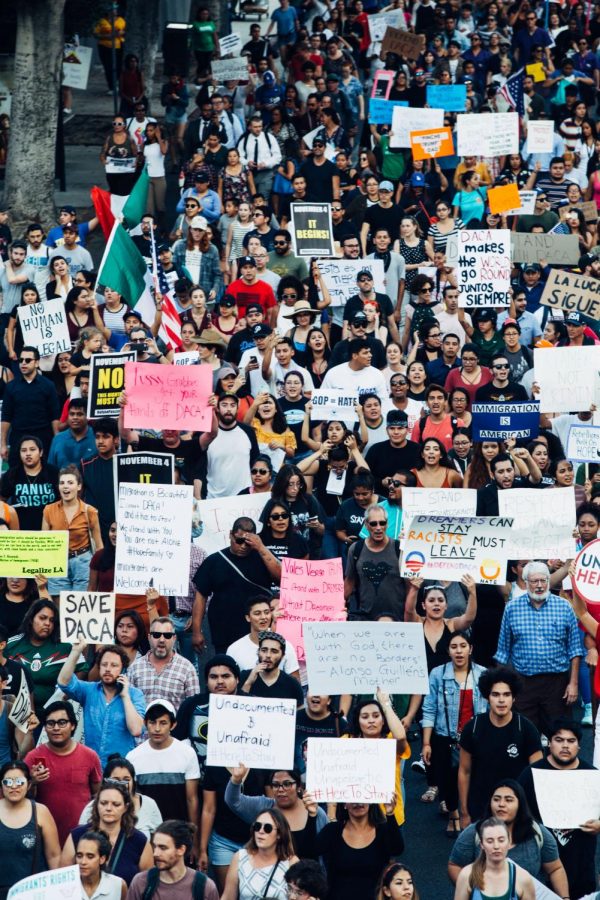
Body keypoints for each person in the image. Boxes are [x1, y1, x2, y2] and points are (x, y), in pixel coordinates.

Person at [495, 561, 582, 733]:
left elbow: (575, 650)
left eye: (544, 580)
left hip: (557, 684)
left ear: (549, 581)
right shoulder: (512, 608)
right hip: (524, 684)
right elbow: (502, 652)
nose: (540, 586)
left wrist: (573, 683)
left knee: (559, 735)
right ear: (525, 582)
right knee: (526, 736)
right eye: (534, 581)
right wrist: (503, 687)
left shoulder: (564, 607)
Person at [518, 718, 599, 899]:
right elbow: (514, 810)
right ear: (549, 743)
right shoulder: (531, 774)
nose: (565, 746)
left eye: (571, 741)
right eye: (559, 740)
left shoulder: (593, 775)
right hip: (541, 866)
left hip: (582, 865)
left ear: (579, 746)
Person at [448, 779, 568, 896]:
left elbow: (555, 869)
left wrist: (565, 898)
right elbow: (454, 865)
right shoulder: (474, 832)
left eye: (509, 800)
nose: (501, 804)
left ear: (520, 804)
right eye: (496, 799)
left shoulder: (537, 832)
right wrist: (472, 892)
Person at [458, 667, 543, 829]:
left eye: (506, 694)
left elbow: (537, 775)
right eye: (495, 695)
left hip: (517, 810)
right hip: (480, 809)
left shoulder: (526, 729)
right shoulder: (473, 727)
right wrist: (463, 812)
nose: (501, 700)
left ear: (514, 698)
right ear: (487, 698)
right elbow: (464, 771)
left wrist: (533, 813)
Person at [422, 631, 488, 835]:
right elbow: (429, 708)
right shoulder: (437, 674)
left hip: (475, 738)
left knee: (475, 779)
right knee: (447, 780)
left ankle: (470, 815)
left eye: (463, 646)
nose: (459, 651)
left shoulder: (483, 674)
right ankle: (453, 814)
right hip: (445, 737)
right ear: (448, 651)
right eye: (454, 647)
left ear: (471, 649)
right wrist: (426, 743)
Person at [193, 517, 280, 653]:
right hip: (224, 631)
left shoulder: (263, 556)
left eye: (248, 542)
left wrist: (261, 547)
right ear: (230, 535)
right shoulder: (214, 561)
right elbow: (200, 597)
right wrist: (197, 631)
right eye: (239, 541)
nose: (243, 546)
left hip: (259, 630)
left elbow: (282, 578)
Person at [24, 699, 102, 845]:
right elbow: (24, 801)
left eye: (62, 722)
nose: (56, 728)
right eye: (50, 723)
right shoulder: (32, 757)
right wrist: (33, 782)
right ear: (45, 727)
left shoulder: (90, 756)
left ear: (72, 725)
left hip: (82, 836)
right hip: (43, 837)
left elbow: (97, 796)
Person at [58, 642, 145, 766]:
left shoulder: (135, 694)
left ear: (123, 669)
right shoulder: (89, 690)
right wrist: (76, 651)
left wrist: (125, 696)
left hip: (120, 769)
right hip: (91, 766)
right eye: (104, 665)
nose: (108, 669)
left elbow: (136, 730)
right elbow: (63, 682)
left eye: (114, 665)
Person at [61, 780, 153, 885]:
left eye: (116, 804)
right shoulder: (77, 836)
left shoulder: (139, 841)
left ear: (125, 807)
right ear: (96, 805)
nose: (109, 808)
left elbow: (146, 886)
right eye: (103, 803)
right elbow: (63, 881)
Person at [126, 699, 200, 829]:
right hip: (146, 830)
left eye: (163, 723)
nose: (157, 728)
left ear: (173, 725)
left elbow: (192, 799)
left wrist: (194, 837)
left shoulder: (187, 753)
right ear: (145, 723)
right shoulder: (133, 757)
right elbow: (133, 800)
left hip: (178, 830)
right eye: (152, 722)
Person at [225, 766, 327, 859]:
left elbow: (327, 850)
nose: (281, 789)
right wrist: (236, 780)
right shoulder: (263, 806)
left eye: (287, 784)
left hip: (309, 876)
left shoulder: (316, 813)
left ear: (299, 786)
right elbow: (234, 801)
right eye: (275, 785)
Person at [316, 799, 404, 900]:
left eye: (363, 797)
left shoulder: (382, 831)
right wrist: (312, 816)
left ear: (371, 801)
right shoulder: (332, 830)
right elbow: (309, 851)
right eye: (351, 798)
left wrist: (390, 813)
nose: (358, 802)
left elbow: (397, 849)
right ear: (344, 804)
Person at [6, 598, 85, 709]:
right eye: (42, 618)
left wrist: (69, 690)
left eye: (52, 620)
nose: (47, 623)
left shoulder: (65, 646)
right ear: (31, 619)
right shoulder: (12, 644)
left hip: (54, 712)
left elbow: (82, 669)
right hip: (17, 710)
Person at [0, 760, 61, 899]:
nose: (14, 786)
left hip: (33, 893)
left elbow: (54, 856)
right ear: (1, 785)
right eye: (8, 782)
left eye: (20, 782)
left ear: (28, 784)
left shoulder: (41, 811)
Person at [42, 465, 103, 595]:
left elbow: (99, 546)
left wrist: (101, 574)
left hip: (82, 561)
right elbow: (44, 544)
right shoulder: (48, 510)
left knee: (80, 607)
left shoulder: (90, 511)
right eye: (62, 483)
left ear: (79, 486)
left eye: (70, 483)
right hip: (57, 561)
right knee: (59, 607)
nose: (65, 486)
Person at [127, 820, 219, 900]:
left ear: (181, 850)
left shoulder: (204, 887)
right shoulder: (141, 882)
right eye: (155, 847)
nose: (155, 853)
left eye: (163, 848)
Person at [344, 504, 406, 621]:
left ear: (387, 524)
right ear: (366, 525)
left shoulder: (399, 549)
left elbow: (409, 585)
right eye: (373, 523)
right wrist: (335, 607)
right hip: (365, 620)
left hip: (396, 619)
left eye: (382, 523)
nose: (378, 527)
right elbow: (349, 581)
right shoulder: (356, 549)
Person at [220, 808, 299, 900]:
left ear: (279, 834)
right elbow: (228, 896)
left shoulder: (291, 863)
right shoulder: (240, 857)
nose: (261, 831)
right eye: (257, 826)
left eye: (267, 828)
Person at [1, 346, 60, 466]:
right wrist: (2, 444)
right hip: (18, 436)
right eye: (21, 360)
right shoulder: (11, 387)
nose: (23, 363)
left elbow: (54, 416)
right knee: (15, 476)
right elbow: (6, 417)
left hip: (43, 437)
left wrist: (57, 442)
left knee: (44, 477)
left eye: (28, 360)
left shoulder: (48, 385)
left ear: (37, 362)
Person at [79, 755, 162, 840]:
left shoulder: (149, 804)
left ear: (133, 781)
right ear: (106, 781)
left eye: (126, 779)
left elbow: (157, 841)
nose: (122, 784)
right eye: (116, 780)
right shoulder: (92, 807)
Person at [127, 616, 199, 711]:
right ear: (149, 638)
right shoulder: (135, 668)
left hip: (175, 726)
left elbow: (194, 709)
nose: (161, 640)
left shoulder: (187, 669)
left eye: (167, 635)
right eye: (156, 635)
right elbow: (127, 704)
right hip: (141, 725)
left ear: (174, 638)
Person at [453, 818, 535, 900]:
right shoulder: (467, 875)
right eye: (490, 841)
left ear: (509, 842)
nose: (496, 846)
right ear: (481, 844)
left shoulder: (523, 878)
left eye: (501, 840)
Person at [227, 596, 300, 676]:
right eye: (257, 613)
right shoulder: (234, 649)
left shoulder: (285, 645)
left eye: (267, 612)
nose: (263, 617)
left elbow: (295, 683)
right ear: (248, 618)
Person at [239, 631, 304, 706]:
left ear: (282, 655)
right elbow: (237, 709)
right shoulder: (244, 676)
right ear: (258, 652)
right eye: (264, 650)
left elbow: (299, 714)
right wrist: (249, 682)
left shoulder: (292, 684)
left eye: (274, 651)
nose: (268, 655)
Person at [476, 452, 543, 516]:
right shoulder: (483, 494)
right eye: (500, 472)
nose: (506, 475)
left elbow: (537, 479)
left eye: (509, 470)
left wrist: (528, 458)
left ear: (514, 470)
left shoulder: (521, 486)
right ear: (492, 475)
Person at [75, 829, 127, 900]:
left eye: (90, 856)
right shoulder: (66, 885)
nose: (83, 862)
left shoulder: (118, 885)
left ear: (102, 859)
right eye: (79, 856)